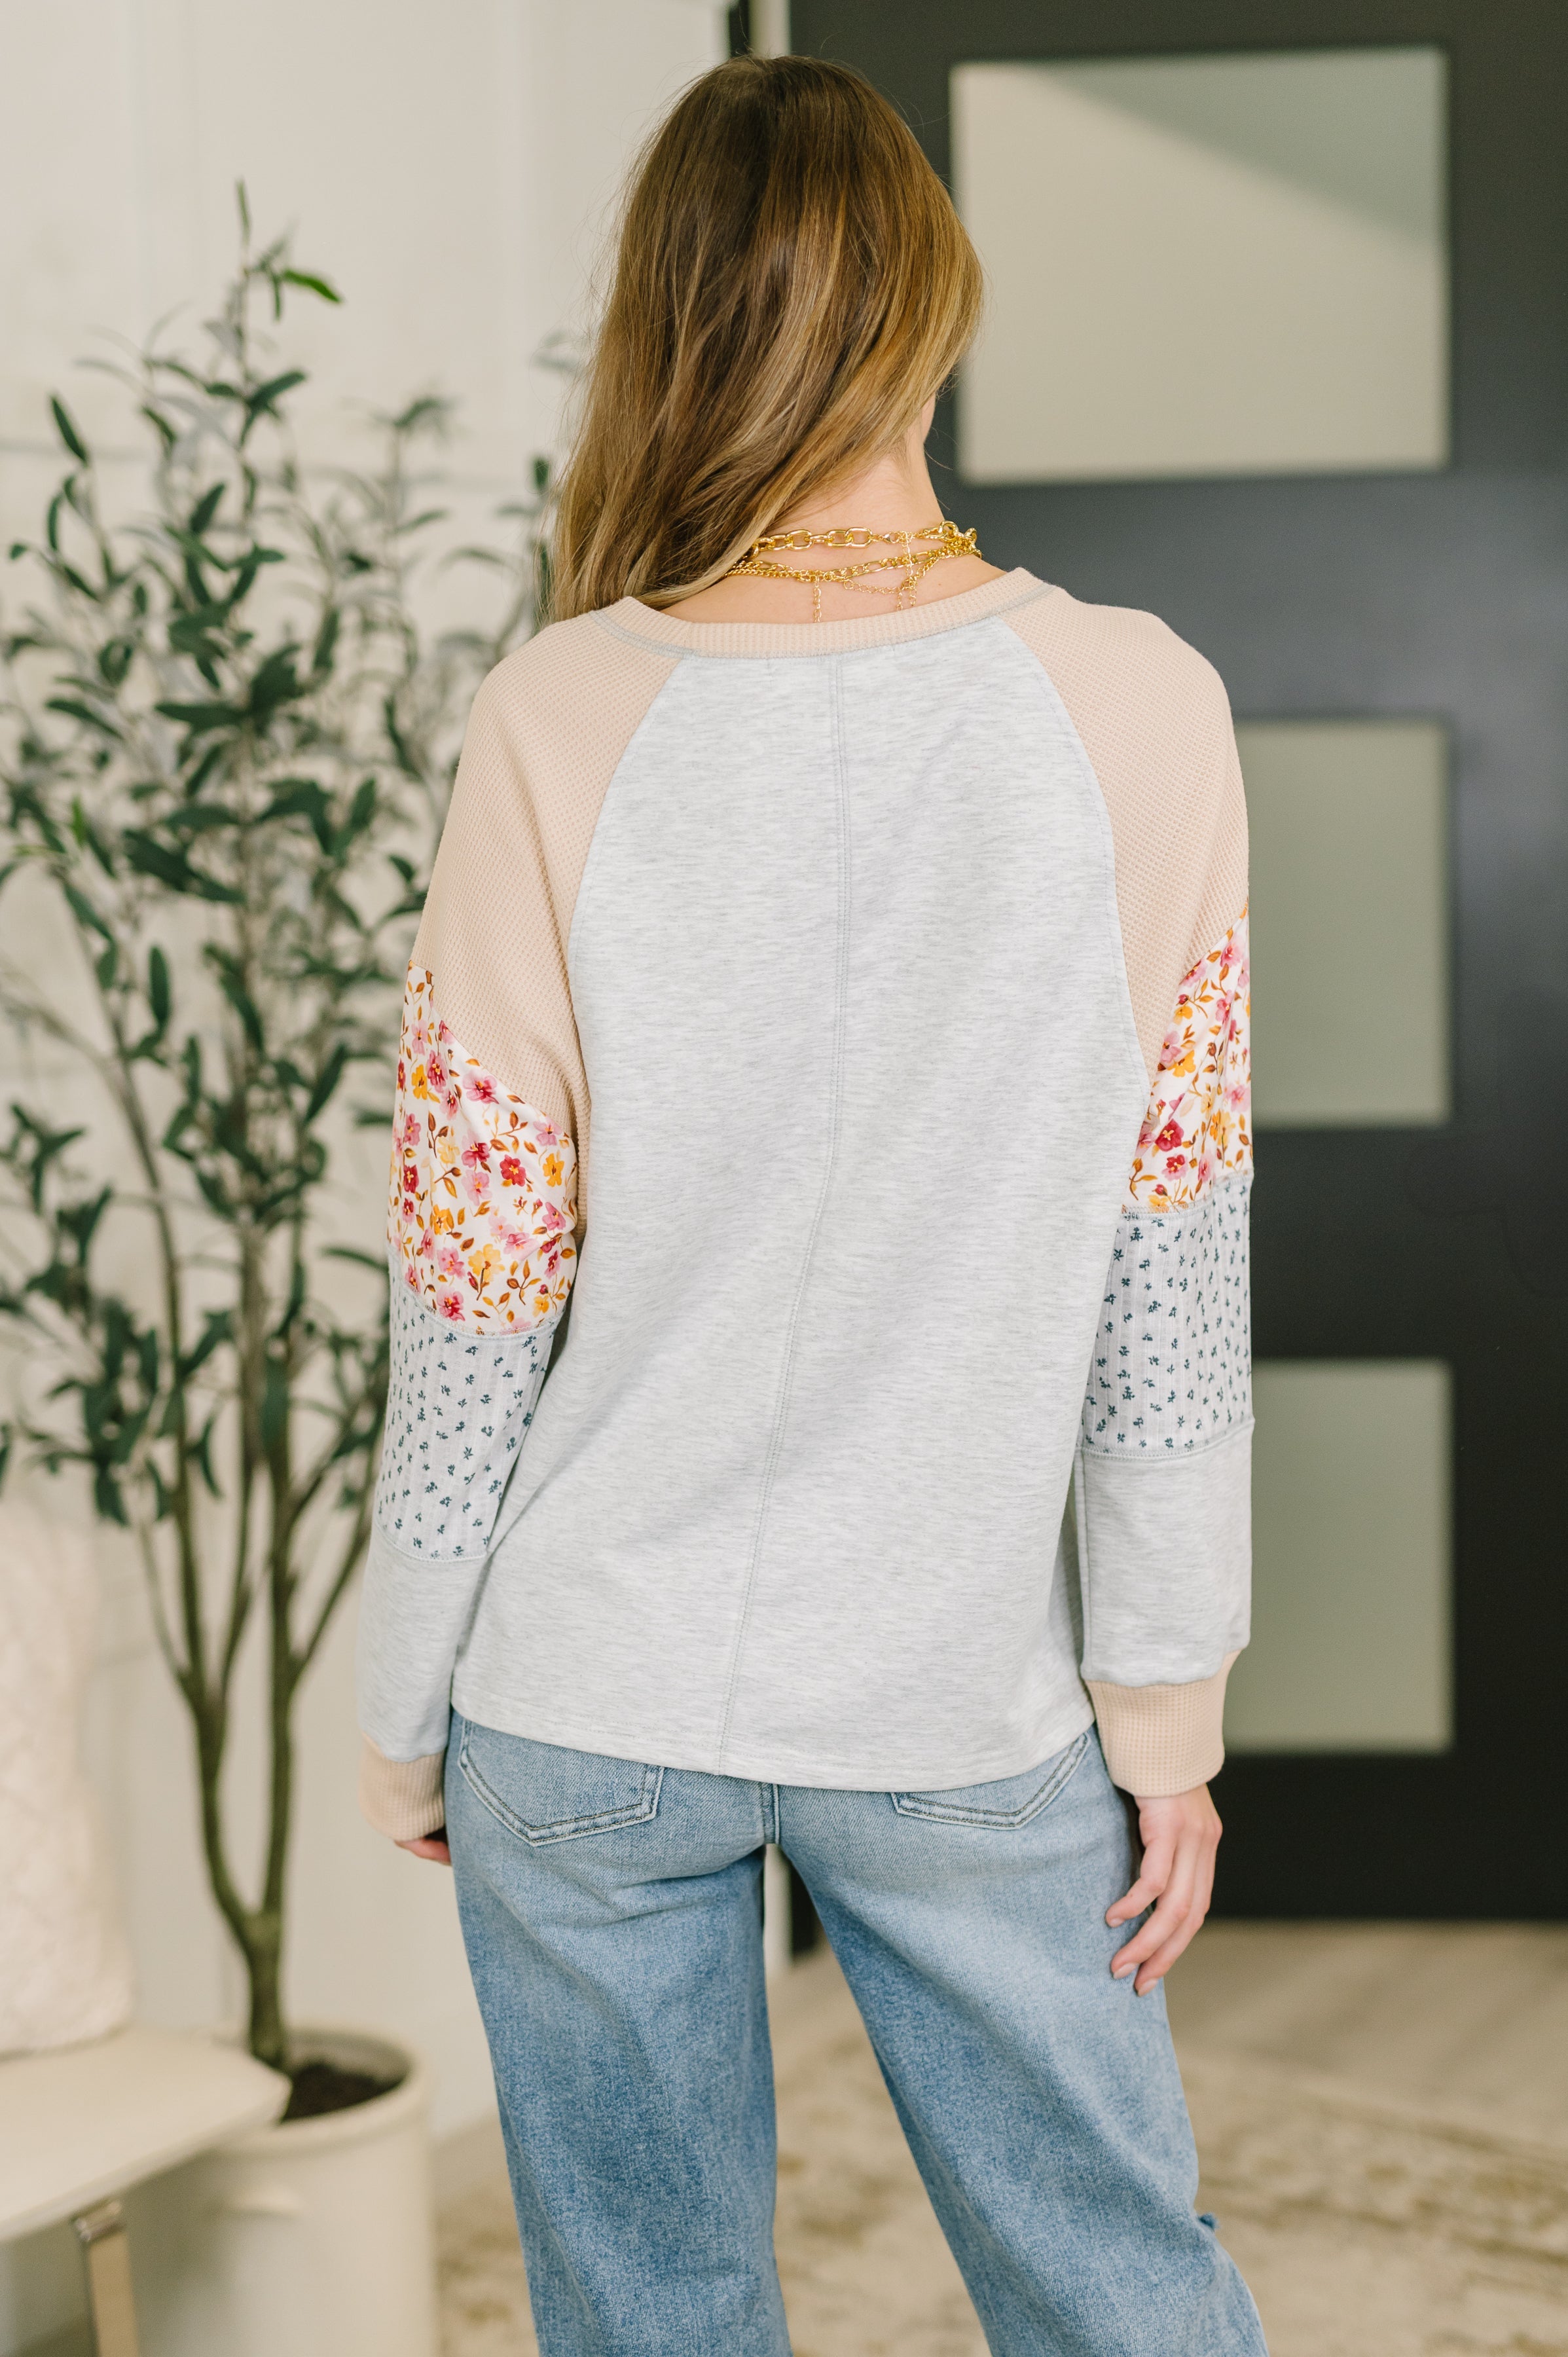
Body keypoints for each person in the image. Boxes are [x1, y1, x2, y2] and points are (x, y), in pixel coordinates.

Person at [357, 52, 1266, 2357]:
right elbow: (1167, 1253)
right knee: (1119, 2298)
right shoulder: (1140, 703)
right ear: (931, 308)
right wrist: (1165, 1710)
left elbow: (475, 1273)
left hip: (582, 1690)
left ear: (663, 327)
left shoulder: (553, 712)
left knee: (644, 2320)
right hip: (955, 1695)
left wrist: (407, 1693)